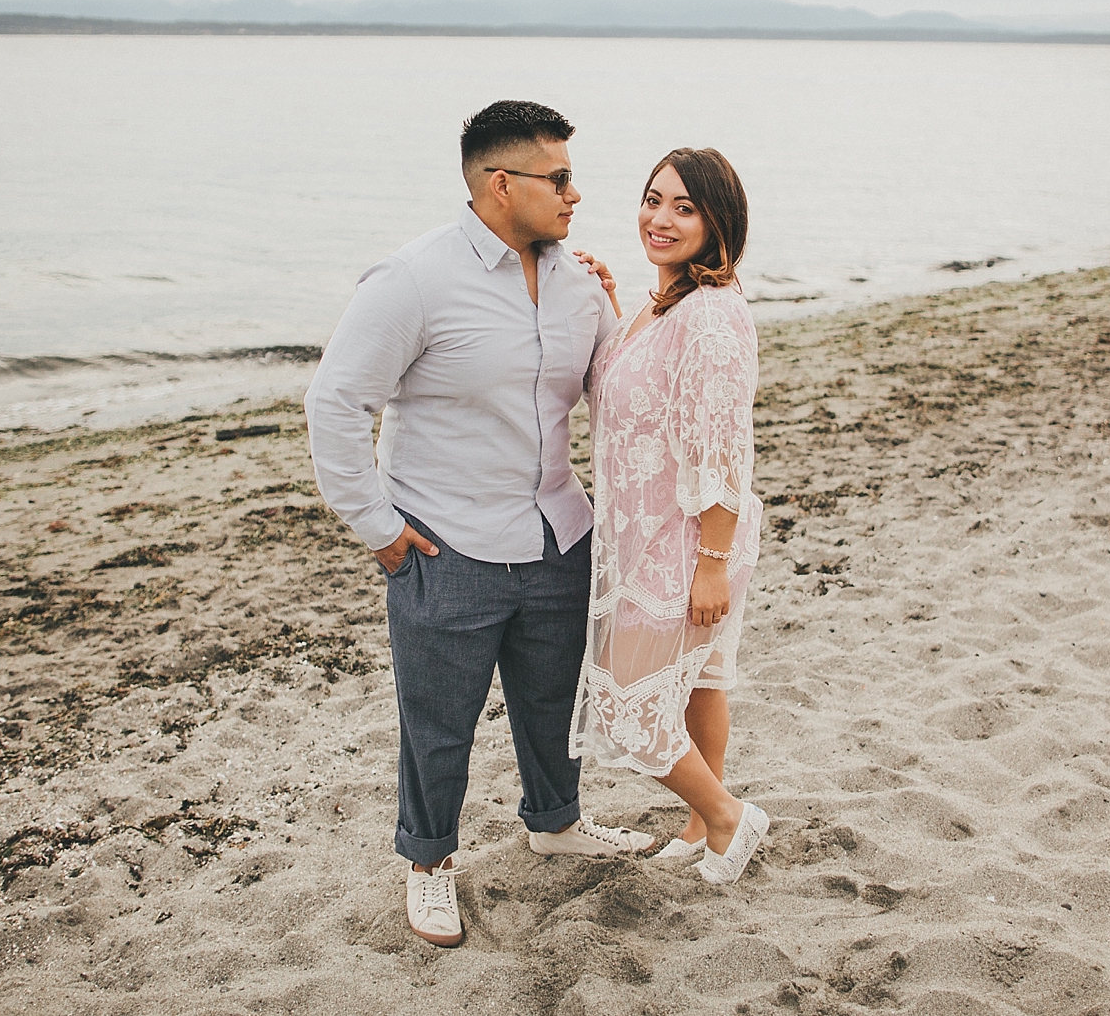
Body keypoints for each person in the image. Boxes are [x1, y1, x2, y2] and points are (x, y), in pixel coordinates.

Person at [304, 100, 655, 950]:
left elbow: (615, 396)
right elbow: (337, 403)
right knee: (438, 721)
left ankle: (557, 821)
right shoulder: (413, 279)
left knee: (553, 700)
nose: (576, 193)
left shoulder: (579, 283)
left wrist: (645, 308)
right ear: (502, 185)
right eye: (559, 176)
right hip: (445, 544)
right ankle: (428, 864)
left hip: (557, 534)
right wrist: (378, 527)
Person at [569, 147, 771, 885]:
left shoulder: (712, 316)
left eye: (684, 207)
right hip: (653, 531)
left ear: (718, 221)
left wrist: (711, 563)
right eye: (654, 199)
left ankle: (726, 816)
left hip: (687, 538)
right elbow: (628, 397)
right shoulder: (663, 305)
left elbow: (721, 448)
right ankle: (700, 828)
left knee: (626, 706)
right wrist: (609, 300)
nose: (660, 217)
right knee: (702, 681)